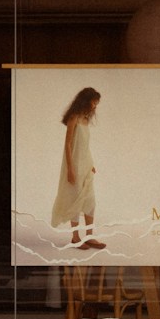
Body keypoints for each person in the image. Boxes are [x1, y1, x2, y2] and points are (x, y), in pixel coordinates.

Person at [51, 87, 104, 250]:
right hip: (74, 165)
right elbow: (67, 144)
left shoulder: (86, 120)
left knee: (90, 201)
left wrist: (91, 164)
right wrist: (70, 169)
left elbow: (85, 146)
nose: (95, 105)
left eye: (97, 103)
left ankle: (89, 236)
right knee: (75, 201)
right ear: (86, 100)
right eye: (94, 101)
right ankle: (75, 238)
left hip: (85, 165)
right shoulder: (73, 118)